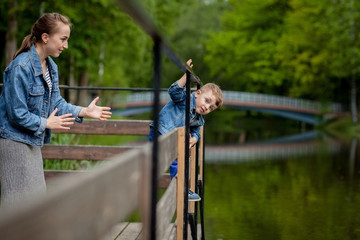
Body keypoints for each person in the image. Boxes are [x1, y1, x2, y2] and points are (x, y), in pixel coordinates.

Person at [0, 13, 112, 208]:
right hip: (14, 142)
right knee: (16, 207)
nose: (66, 45)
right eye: (63, 39)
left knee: (35, 204)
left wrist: (84, 111)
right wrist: (46, 123)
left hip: (32, 140)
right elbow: (16, 113)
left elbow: (55, 103)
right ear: (45, 37)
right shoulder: (20, 67)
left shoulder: (51, 67)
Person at [149, 59, 223, 201]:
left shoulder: (199, 119)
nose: (207, 107)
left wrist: (194, 139)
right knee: (156, 160)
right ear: (197, 93)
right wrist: (186, 76)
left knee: (180, 159)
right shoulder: (184, 99)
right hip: (160, 131)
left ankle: (182, 188)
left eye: (211, 108)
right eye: (207, 101)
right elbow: (174, 91)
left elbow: (196, 132)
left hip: (174, 139)